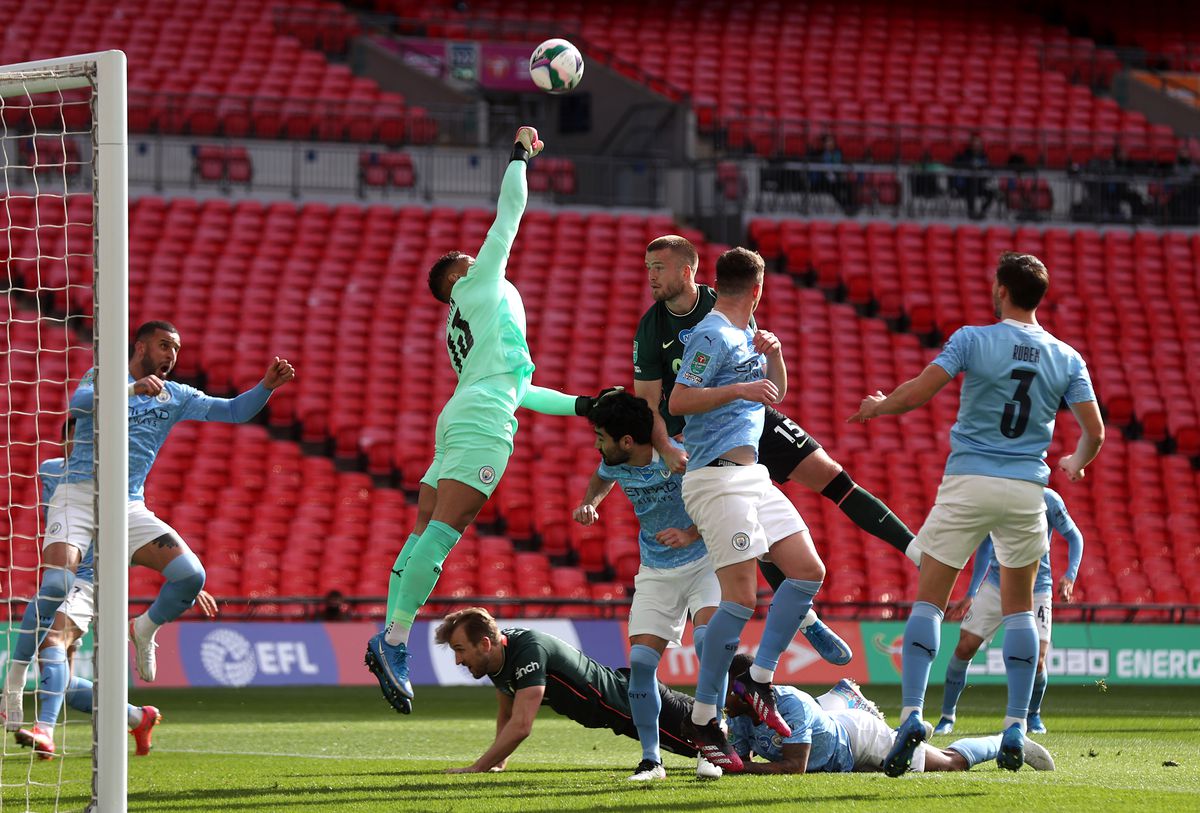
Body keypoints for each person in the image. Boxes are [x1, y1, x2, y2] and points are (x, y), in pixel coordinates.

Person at [365, 127, 612, 715]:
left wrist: (584, 405)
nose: (478, 258)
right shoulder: (478, 286)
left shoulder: (465, 325)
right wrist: (520, 156)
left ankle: (388, 632)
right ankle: (395, 641)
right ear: (456, 278)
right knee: (446, 533)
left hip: (462, 413)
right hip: (480, 423)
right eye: (466, 262)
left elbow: (520, 388)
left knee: (424, 530)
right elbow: (510, 214)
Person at [848, 252, 1103, 775]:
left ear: (1002, 289)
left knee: (931, 601)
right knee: (1018, 610)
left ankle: (914, 714)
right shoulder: (1068, 357)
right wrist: (1074, 462)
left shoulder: (971, 338)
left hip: (968, 481)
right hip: (1027, 489)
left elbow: (919, 392)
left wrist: (878, 407)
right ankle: (1014, 724)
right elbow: (1094, 431)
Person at [2, 329, 295, 724]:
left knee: (191, 576)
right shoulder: (104, 376)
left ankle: (143, 629)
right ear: (140, 347)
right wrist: (131, 390)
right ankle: (16, 683)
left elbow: (234, 411)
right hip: (81, 493)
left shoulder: (175, 395)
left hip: (127, 505)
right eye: (164, 345)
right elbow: (79, 402)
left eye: (176, 348)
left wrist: (265, 387)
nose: (171, 354)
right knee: (55, 586)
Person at [574, 390, 847, 780]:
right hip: (655, 570)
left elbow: (715, 505)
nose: (598, 445)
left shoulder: (680, 459)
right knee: (640, 665)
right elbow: (601, 478)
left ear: (628, 441)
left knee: (708, 644)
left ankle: (711, 742)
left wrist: (689, 533)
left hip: (705, 562)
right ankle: (651, 760)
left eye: (602, 437)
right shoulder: (613, 461)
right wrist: (591, 503)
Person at [633, 234, 918, 577]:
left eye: (658, 268)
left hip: (750, 415)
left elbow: (760, 377)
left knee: (831, 476)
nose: (650, 276)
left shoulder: (724, 301)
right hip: (703, 433)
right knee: (752, 530)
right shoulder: (651, 329)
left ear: (686, 271)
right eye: (648, 267)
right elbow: (649, 403)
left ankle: (918, 554)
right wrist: (665, 447)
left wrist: (773, 356)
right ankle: (806, 623)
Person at [668, 247, 847, 771]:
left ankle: (760, 677)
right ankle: (704, 717)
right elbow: (678, 402)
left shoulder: (749, 335)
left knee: (808, 571)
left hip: (753, 477)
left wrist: (773, 356)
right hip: (717, 479)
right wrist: (739, 387)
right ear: (759, 287)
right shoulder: (710, 334)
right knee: (741, 599)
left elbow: (775, 394)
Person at [433, 607, 875, 777]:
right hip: (619, 710)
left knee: (717, 751)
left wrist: (477, 768)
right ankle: (838, 702)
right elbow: (507, 711)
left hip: (630, 704)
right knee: (722, 739)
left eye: (459, 650)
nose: (458, 659)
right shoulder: (497, 660)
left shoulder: (526, 648)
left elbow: (523, 724)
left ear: (485, 643)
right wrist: (499, 759)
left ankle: (839, 708)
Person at [723, 654, 1055, 775]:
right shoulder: (740, 712)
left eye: (725, 688)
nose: (717, 694)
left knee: (950, 762)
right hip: (836, 737)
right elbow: (736, 757)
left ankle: (1006, 742)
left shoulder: (789, 705)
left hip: (860, 741)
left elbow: (795, 767)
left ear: (745, 693)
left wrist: (739, 768)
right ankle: (847, 698)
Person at [935, 488, 1083, 735]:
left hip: (1037, 589)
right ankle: (947, 716)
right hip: (996, 585)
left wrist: (1070, 576)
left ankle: (1033, 715)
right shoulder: (992, 498)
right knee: (964, 646)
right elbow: (984, 547)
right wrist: (972, 592)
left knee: (1038, 659)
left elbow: (1075, 537)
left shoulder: (1048, 499)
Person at [952, 133, 994, 219]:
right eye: (974, 143)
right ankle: (971, 211)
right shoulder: (964, 156)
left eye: (978, 144)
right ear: (971, 144)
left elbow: (987, 171)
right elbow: (959, 169)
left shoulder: (984, 157)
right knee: (971, 185)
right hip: (966, 185)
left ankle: (982, 211)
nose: (976, 146)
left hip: (979, 185)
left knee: (992, 193)